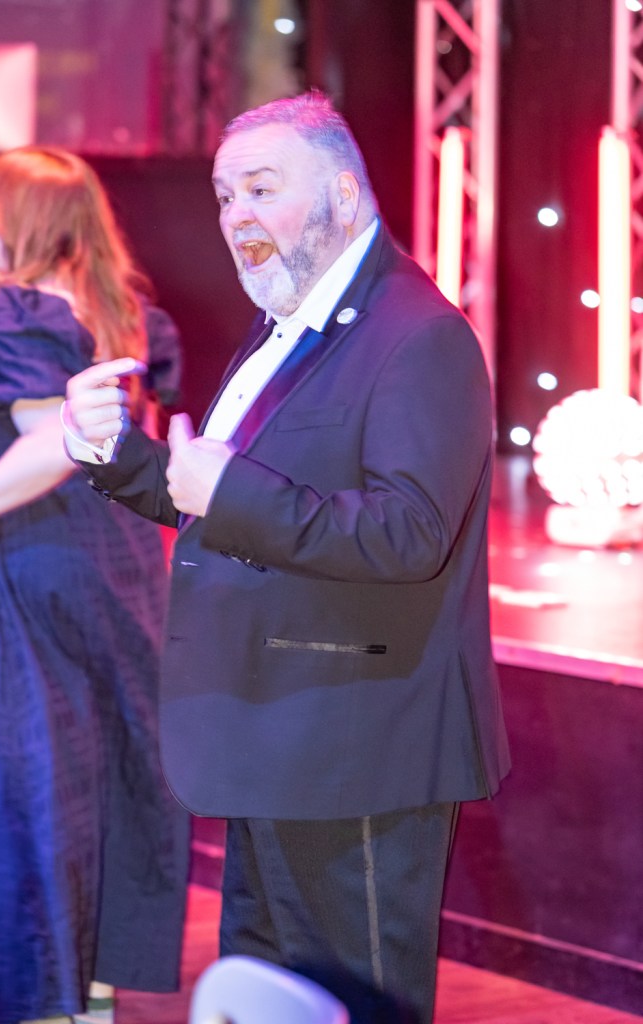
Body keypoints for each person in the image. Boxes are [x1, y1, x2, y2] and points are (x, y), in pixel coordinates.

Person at [63, 92, 510, 1024]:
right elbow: (217, 498)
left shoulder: (417, 335)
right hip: (275, 741)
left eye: (261, 189)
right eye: (226, 197)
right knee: (272, 1000)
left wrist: (227, 489)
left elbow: (406, 534)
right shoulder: (287, 327)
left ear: (343, 193)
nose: (236, 217)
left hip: (356, 751)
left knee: (354, 1003)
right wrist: (113, 453)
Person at [0, 146, 189, 1024]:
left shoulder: (14, 313)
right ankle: (87, 985)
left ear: (24, 219)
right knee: (104, 773)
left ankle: (41, 990)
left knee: (30, 787)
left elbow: (50, 445)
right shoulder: (127, 312)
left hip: (32, 562)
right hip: (122, 565)